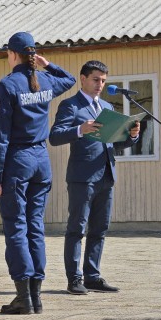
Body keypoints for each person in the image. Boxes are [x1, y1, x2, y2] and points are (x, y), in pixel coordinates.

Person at [0, 32, 75, 314]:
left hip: (17, 161)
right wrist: (47, 64)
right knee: (35, 227)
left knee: (16, 228)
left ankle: (23, 296)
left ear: (11, 54)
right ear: (32, 55)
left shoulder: (8, 85)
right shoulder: (46, 80)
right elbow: (70, 79)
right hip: (41, 161)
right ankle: (36, 296)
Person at [49, 60, 140, 295]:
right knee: (77, 228)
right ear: (83, 78)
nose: (100, 84)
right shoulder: (71, 105)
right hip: (82, 176)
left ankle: (92, 276)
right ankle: (74, 278)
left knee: (100, 228)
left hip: (106, 175)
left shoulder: (106, 107)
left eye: (103, 81)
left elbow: (113, 144)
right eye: (96, 79)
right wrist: (80, 129)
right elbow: (55, 136)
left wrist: (131, 137)